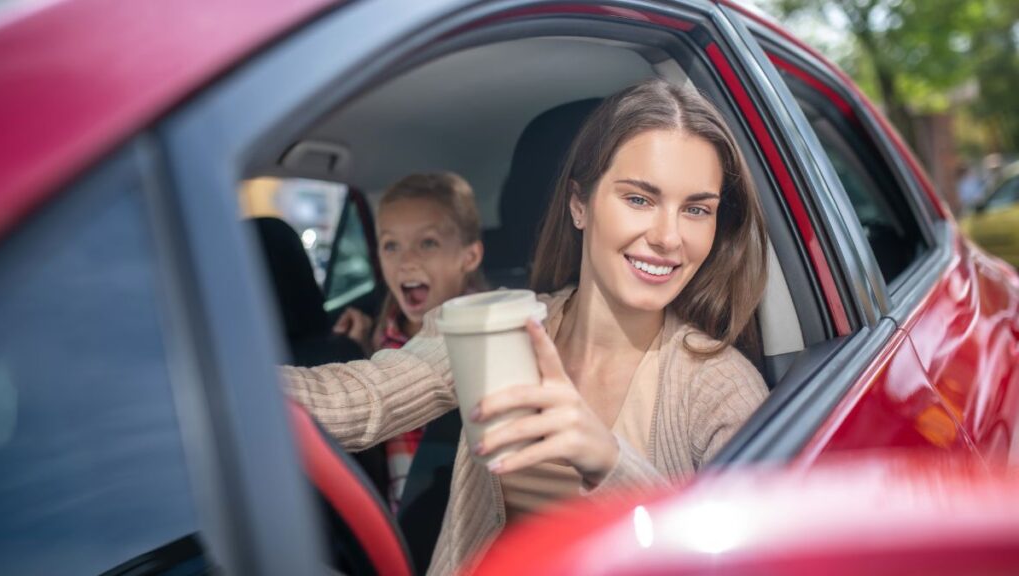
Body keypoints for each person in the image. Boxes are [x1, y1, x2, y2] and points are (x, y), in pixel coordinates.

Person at [282, 79, 769, 575]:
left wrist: (607, 460)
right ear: (580, 205)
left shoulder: (720, 389)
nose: (669, 237)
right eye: (640, 199)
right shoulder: (497, 326)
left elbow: (740, 560)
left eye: (696, 210)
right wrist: (216, 390)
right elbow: (363, 399)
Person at [332, 171, 485, 512]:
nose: (406, 261)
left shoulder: (492, 335)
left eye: (427, 242)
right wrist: (360, 350)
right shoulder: (379, 338)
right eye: (391, 245)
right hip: (402, 516)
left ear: (469, 257)